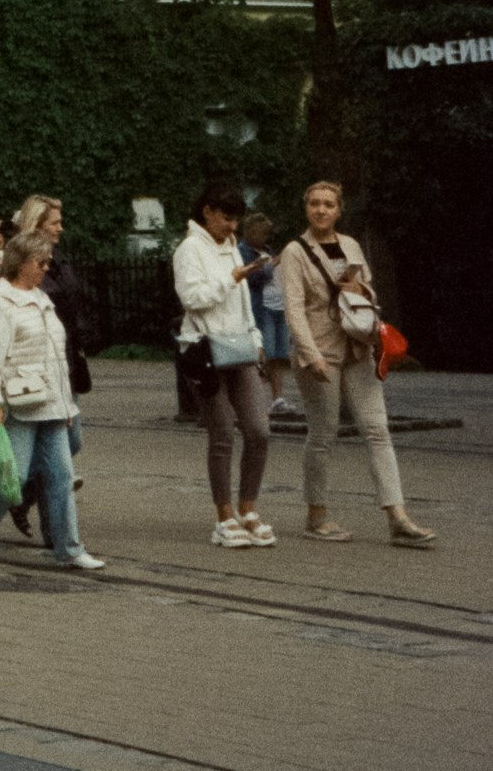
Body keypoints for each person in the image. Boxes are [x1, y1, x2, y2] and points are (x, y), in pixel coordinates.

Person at [278, 183, 433, 547]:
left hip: (358, 348)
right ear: (306, 208)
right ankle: (316, 516)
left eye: (328, 204)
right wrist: (309, 353)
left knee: (377, 430)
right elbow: (294, 308)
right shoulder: (294, 252)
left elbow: (370, 291)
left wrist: (361, 290)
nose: (321, 210)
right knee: (323, 433)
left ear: (339, 210)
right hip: (320, 352)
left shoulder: (350, 245)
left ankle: (398, 517)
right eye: (314, 204)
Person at [0, 234, 104, 571]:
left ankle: (69, 547)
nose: (46, 268)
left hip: (50, 402)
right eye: (41, 263)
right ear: (20, 262)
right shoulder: (0, 302)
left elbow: (57, 358)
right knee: (14, 477)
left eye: (48, 262)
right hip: (19, 402)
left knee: (62, 476)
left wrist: (66, 405)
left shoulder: (41, 298)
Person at [172, 186, 276, 547]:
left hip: (240, 347)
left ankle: (248, 509)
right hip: (206, 350)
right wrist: (230, 278)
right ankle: (224, 516)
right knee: (222, 434)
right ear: (207, 212)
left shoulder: (230, 244)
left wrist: (257, 339)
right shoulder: (189, 249)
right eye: (226, 218)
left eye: (236, 219)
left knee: (259, 430)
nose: (233, 226)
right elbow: (192, 298)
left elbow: (244, 302)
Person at [7, 194, 91, 544]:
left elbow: (73, 300)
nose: (60, 228)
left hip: (63, 358)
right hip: (33, 364)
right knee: (57, 447)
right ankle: (54, 530)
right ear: (36, 225)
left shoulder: (59, 259)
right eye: (54, 223)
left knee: (69, 441)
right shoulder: (22, 262)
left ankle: (23, 495)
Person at [241, 208, 294, 420]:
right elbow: (250, 278)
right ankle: (256, 399)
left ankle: (277, 399)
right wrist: (271, 265)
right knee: (265, 353)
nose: (266, 237)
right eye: (262, 233)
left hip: (279, 306)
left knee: (280, 355)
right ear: (251, 232)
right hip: (262, 307)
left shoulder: (267, 249)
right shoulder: (243, 251)